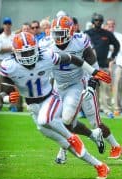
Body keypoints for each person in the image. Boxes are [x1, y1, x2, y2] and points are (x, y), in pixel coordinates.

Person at [0, 32, 111, 179]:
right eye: (24, 52)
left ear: (36, 48)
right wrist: (8, 98)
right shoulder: (9, 66)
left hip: (50, 99)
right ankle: (99, 166)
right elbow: (2, 93)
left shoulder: (46, 56)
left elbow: (72, 58)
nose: (28, 55)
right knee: (64, 144)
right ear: (15, 52)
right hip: (34, 108)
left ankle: (72, 137)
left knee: (45, 120)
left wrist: (93, 71)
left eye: (30, 51)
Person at [39, 15, 112, 163]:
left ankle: (63, 150)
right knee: (53, 121)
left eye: (62, 33)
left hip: (75, 85)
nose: (58, 37)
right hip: (56, 85)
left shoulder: (80, 41)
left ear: (71, 32)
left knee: (66, 120)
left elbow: (93, 65)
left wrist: (92, 85)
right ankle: (93, 135)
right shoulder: (45, 43)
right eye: (56, 33)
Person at [85, 13, 120, 118]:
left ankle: (107, 110)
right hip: (91, 67)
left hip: (104, 65)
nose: (98, 22)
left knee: (106, 89)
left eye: (100, 20)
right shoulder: (87, 33)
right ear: (92, 21)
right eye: (96, 20)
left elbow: (117, 45)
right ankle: (95, 109)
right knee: (93, 90)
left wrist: (112, 57)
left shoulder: (107, 33)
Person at [0, 17, 16, 112]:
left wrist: (5, 48)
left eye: (8, 23)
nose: (7, 25)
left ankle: (13, 105)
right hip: (1, 61)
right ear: (3, 25)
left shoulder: (14, 36)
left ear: (11, 25)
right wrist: (10, 48)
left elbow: (16, 48)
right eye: (5, 23)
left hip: (12, 61)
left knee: (13, 84)